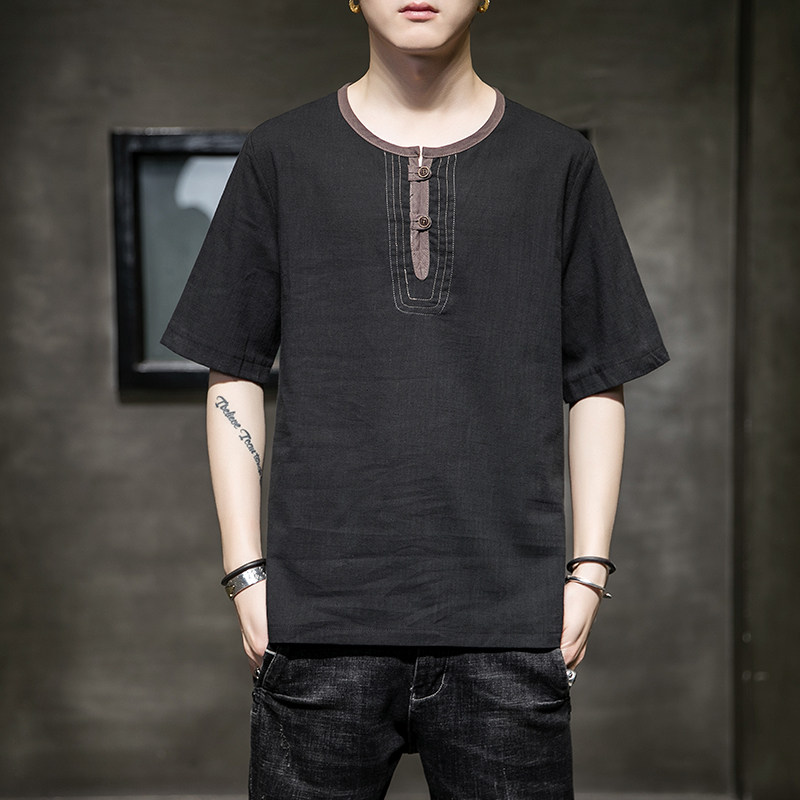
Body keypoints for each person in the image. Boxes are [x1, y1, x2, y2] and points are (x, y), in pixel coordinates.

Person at [162, 1, 669, 797]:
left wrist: (589, 573)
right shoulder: (281, 155)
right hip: (319, 623)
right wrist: (246, 576)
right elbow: (234, 369)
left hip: (508, 625)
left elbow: (599, 374)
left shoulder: (557, 162)